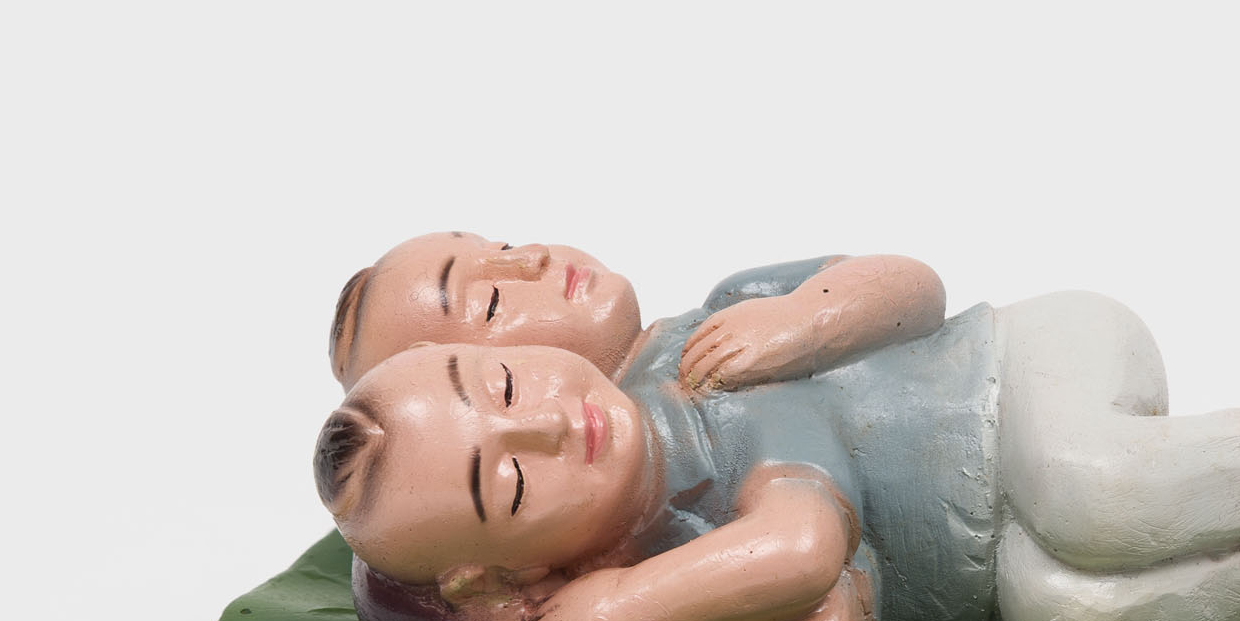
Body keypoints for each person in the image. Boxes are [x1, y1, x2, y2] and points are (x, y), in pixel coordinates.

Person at [314, 265, 1240, 621]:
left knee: (1090, 491)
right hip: (1000, 561)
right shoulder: (669, 546)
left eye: (507, 382)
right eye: (512, 485)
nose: (554, 426)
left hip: (1030, 375)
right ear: (508, 575)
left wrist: (802, 318)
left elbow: (805, 544)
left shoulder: (690, 360)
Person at [326, 231, 946, 394]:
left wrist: (804, 318)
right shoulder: (626, 474)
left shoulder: (736, 305)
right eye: (491, 301)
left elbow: (915, 286)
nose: (533, 258)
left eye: (504, 247)